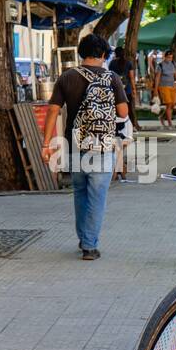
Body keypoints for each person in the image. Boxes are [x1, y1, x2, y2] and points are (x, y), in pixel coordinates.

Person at [40, 32, 129, 259]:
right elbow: (123, 112)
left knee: (80, 192)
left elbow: (53, 110)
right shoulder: (112, 78)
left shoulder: (67, 77)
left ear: (81, 53)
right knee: (97, 196)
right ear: (102, 54)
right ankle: (90, 245)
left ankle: (84, 239)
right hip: (102, 146)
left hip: (75, 145)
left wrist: (46, 144)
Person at [109, 47, 139, 131]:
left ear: (115, 54)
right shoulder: (128, 63)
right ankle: (133, 126)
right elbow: (132, 78)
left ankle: (118, 127)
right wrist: (134, 89)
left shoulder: (112, 63)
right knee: (130, 108)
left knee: (116, 108)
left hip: (116, 90)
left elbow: (110, 76)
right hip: (127, 89)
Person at [155, 49, 176, 129]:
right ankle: (170, 124)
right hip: (164, 86)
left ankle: (162, 117)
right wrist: (155, 89)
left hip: (172, 86)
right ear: (164, 57)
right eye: (168, 57)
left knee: (172, 105)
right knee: (168, 104)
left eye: (171, 57)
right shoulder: (160, 65)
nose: (170, 59)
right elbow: (157, 78)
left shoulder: (173, 64)